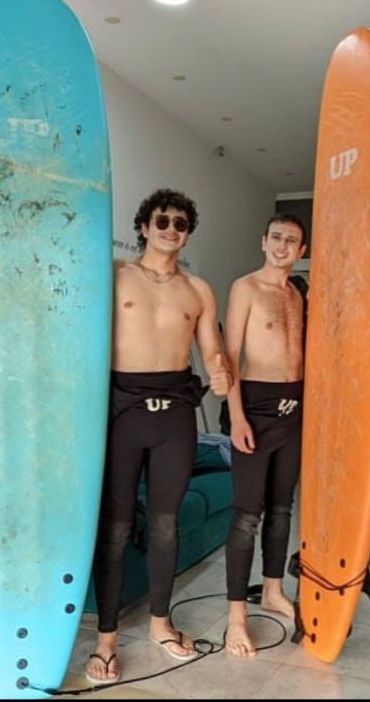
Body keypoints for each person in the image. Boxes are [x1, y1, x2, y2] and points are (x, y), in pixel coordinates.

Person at [86, 188, 233, 684]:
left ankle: (160, 624)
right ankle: (106, 639)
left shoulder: (198, 290)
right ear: (144, 227)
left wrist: (220, 371)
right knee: (116, 526)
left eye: (181, 224)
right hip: (122, 410)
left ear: (187, 234)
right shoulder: (113, 274)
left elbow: (212, 352)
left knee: (166, 524)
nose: (172, 229)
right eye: (163, 221)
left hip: (175, 414)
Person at [220, 213, 309, 658]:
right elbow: (228, 356)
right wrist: (237, 417)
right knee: (246, 516)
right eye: (276, 237)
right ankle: (236, 617)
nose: (282, 245)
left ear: (301, 250)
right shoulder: (246, 288)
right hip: (254, 408)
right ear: (263, 242)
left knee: (281, 508)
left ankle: (273, 591)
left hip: (294, 410)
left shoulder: (297, 294)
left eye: (291, 240)